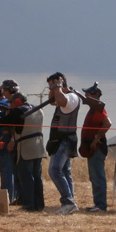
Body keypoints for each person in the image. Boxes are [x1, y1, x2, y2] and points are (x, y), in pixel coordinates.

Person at [0, 92, 46, 212]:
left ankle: (28, 205)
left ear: (17, 102)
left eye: (12, 103)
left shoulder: (18, 111)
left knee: (26, 177)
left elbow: (2, 122)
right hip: (38, 147)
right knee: (37, 177)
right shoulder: (37, 109)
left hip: (26, 147)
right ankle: (39, 204)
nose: (11, 106)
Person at [46, 72, 80, 215]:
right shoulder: (60, 95)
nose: (52, 90)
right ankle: (70, 203)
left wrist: (58, 86)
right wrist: (54, 88)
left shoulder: (71, 97)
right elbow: (53, 101)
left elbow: (61, 101)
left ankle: (68, 202)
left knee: (54, 170)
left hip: (65, 139)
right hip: (59, 139)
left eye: (53, 86)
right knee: (65, 171)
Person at [78, 82, 111, 213]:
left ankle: (101, 206)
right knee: (95, 177)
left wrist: (96, 138)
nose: (86, 96)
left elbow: (107, 123)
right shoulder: (94, 109)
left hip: (96, 147)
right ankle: (98, 203)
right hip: (92, 148)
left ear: (95, 95)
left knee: (98, 177)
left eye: (88, 94)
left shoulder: (98, 109)